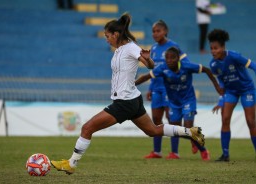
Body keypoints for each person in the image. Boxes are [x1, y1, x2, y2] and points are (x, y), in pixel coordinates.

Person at [50, 13, 205, 175]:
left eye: (107, 35)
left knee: (87, 128)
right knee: (152, 130)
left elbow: (150, 65)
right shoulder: (119, 50)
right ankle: (190, 132)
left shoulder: (131, 47)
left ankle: (71, 164)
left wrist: (149, 59)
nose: (106, 38)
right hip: (132, 99)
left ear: (116, 34)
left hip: (124, 102)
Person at [136, 46, 223, 160]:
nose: (169, 60)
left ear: (178, 58)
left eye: (172, 58)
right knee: (176, 130)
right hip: (173, 103)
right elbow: (146, 77)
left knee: (187, 127)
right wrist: (132, 84)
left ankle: (201, 147)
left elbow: (206, 70)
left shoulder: (187, 66)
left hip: (188, 100)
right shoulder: (162, 68)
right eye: (167, 58)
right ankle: (195, 144)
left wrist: (217, 86)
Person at [143, 20, 192, 159]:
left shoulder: (173, 46)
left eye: (158, 31)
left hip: (169, 88)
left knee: (172, 119)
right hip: (156, 89)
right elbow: (153, 70)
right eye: (153, 31)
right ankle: (157, 151)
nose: (155, 34)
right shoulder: (153, 48)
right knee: (156, 119)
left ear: (165, 31)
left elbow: (185, 64)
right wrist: (150, 87)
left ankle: (174, 152)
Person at [208, 29, 256, 162]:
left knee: (251, 122)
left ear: (223, 47)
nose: (213, 51)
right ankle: (225, 155)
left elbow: (252, 65)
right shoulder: (213, 64)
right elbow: (221, 84)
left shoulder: (234, 56)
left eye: (216, 48)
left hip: (247, 90)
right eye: (211, 48)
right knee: (225, 119)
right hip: (231, 92)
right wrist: (220, 101)